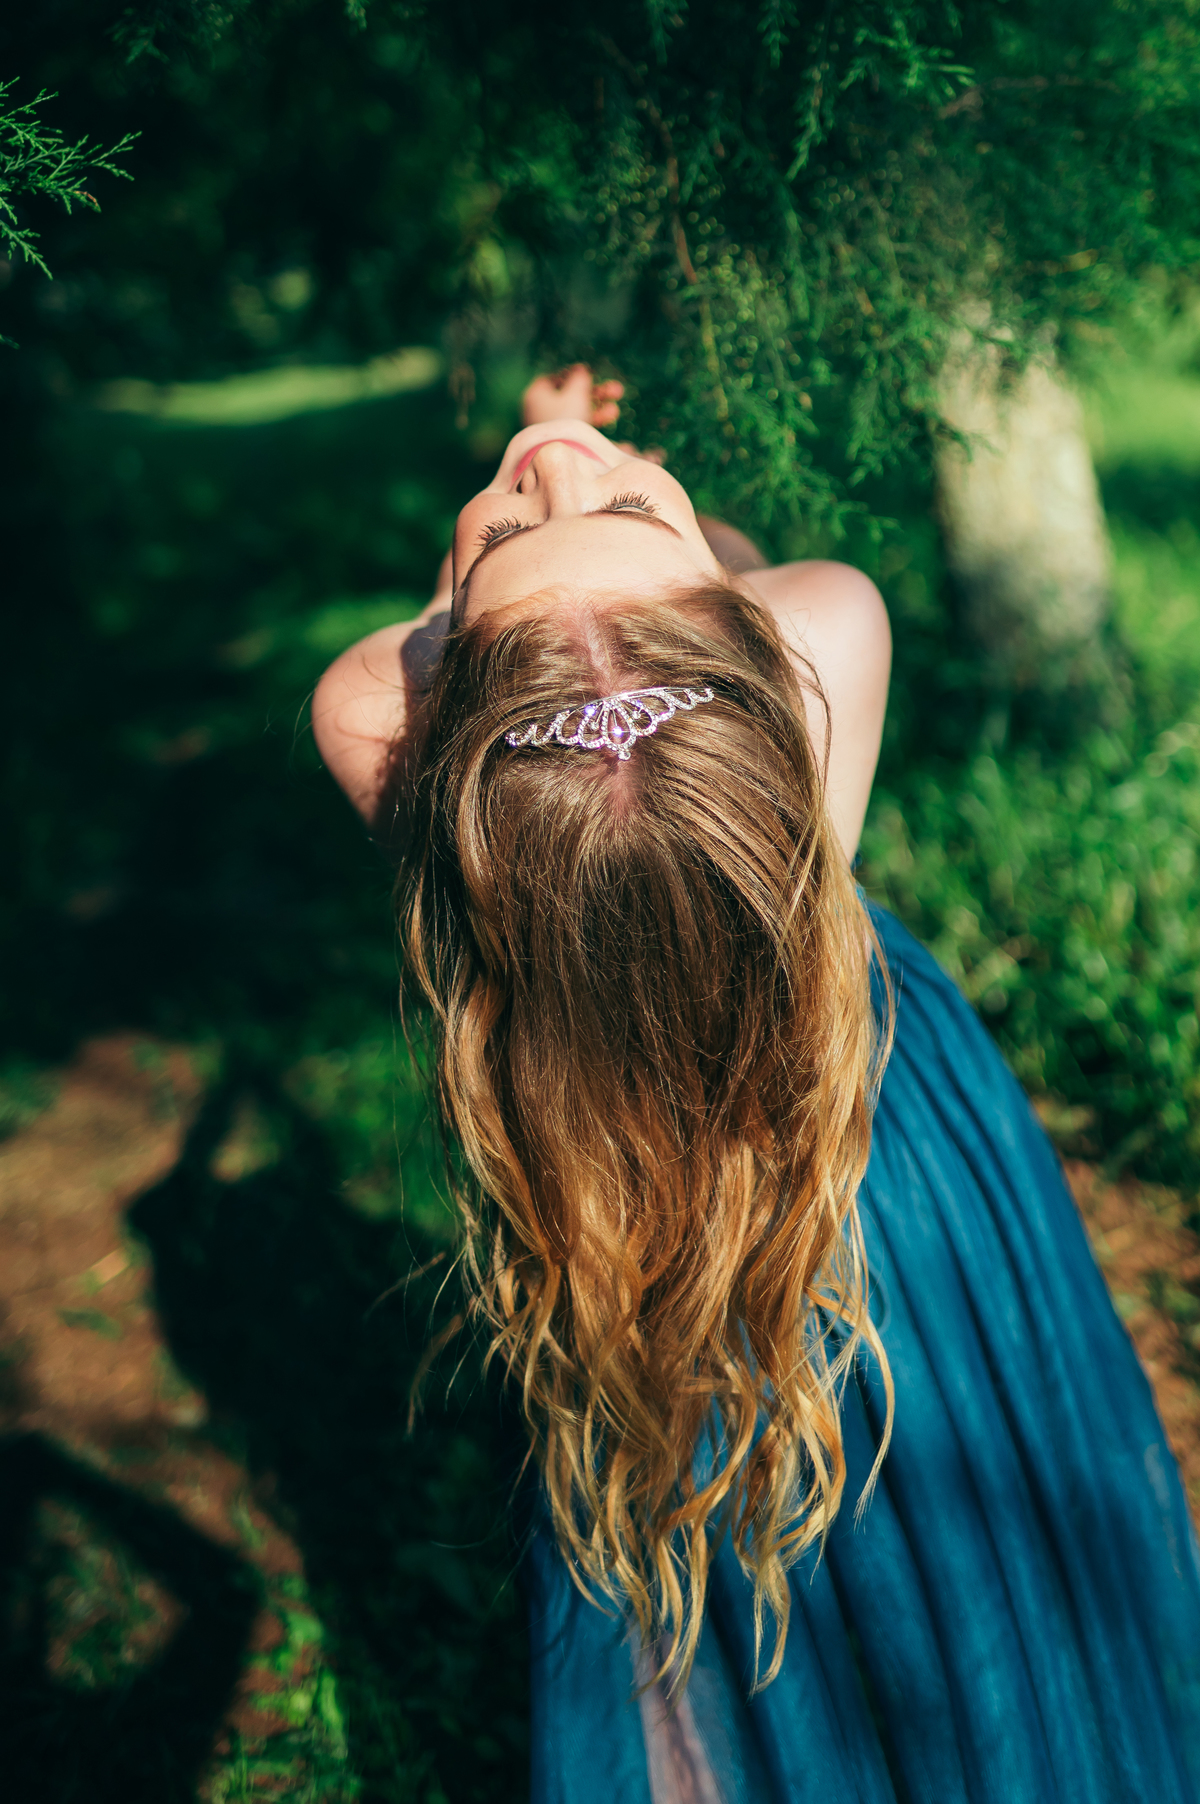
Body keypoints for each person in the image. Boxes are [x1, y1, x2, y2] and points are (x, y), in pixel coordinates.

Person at [314, 366, 1200, 1803]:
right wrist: (627, 495)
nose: (545, 461)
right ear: (753, 657)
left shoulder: (398, 738)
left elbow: (402, 664)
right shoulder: (825, 630)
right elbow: (727, 570)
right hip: (888, 1162)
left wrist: (507, 555)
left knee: (702, 1508)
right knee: (956, 1494)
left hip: (618, 1209)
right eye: (558, 499)